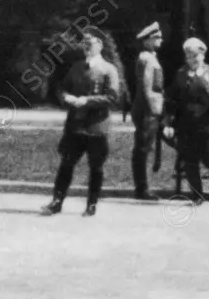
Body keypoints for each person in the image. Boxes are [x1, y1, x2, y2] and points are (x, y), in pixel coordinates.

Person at [42, 27, 122, 217]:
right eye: (84, 43)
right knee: (66, 164)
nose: (86, 46)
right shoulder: (76, 67)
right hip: (75, 125)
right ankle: (57, 201)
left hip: (96, 126)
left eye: (90, 43)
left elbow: (112, 97)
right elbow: (62, 88)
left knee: (96, 167)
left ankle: (91, 204)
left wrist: (87, 101)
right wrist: (66, 97)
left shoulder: (109, 70)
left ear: (100, 45)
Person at [163, 37, 209, 203]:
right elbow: (172, 99)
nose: (192, 60)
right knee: (190, 159)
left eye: (195, 56)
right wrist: (168, 121)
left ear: (203, 56)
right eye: (189, 57)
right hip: (187, 123)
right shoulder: (181, 74)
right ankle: (197, 195)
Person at [130, 21, 164, 201]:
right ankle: (142, 188)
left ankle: (142, 187)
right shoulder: (146, 58)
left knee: (145, 147)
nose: (161, 40)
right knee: (144, 149)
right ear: (148, 40)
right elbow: (147, 87)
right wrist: (155, 109)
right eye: (157, 37)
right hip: (148, 110)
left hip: (149, 109)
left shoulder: (150, 57)